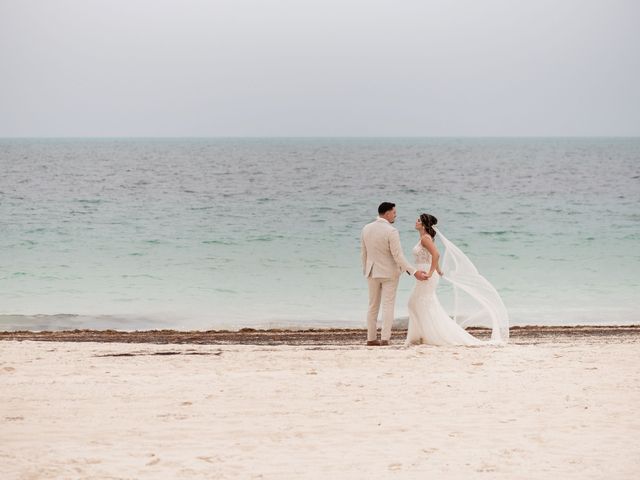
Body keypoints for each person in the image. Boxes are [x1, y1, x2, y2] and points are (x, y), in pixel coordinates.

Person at [406, 213, 509, 346]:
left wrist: (431, 272)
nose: (416, 221)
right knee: (420, 304)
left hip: (426, 276)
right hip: (424, 275)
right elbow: (432, 256)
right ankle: (422, 335)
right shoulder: (425, 238)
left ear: (424, 224)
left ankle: (427, 335)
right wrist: (437, 269)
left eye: (419, 220)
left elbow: (436, 254)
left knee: (415, 303)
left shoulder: (425, 238)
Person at [361, 202, 428, 346]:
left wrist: (365, 270)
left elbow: (364, 253)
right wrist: (414, 272)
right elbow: (398, 256)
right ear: (386, 214)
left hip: (371, 272)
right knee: (388, 306)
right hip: (389, 273)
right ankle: (385, 339)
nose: (395, 215)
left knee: (372, 306)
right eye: (394, 212)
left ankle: (371, 339)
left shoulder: (366, 228)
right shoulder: (391, 231)